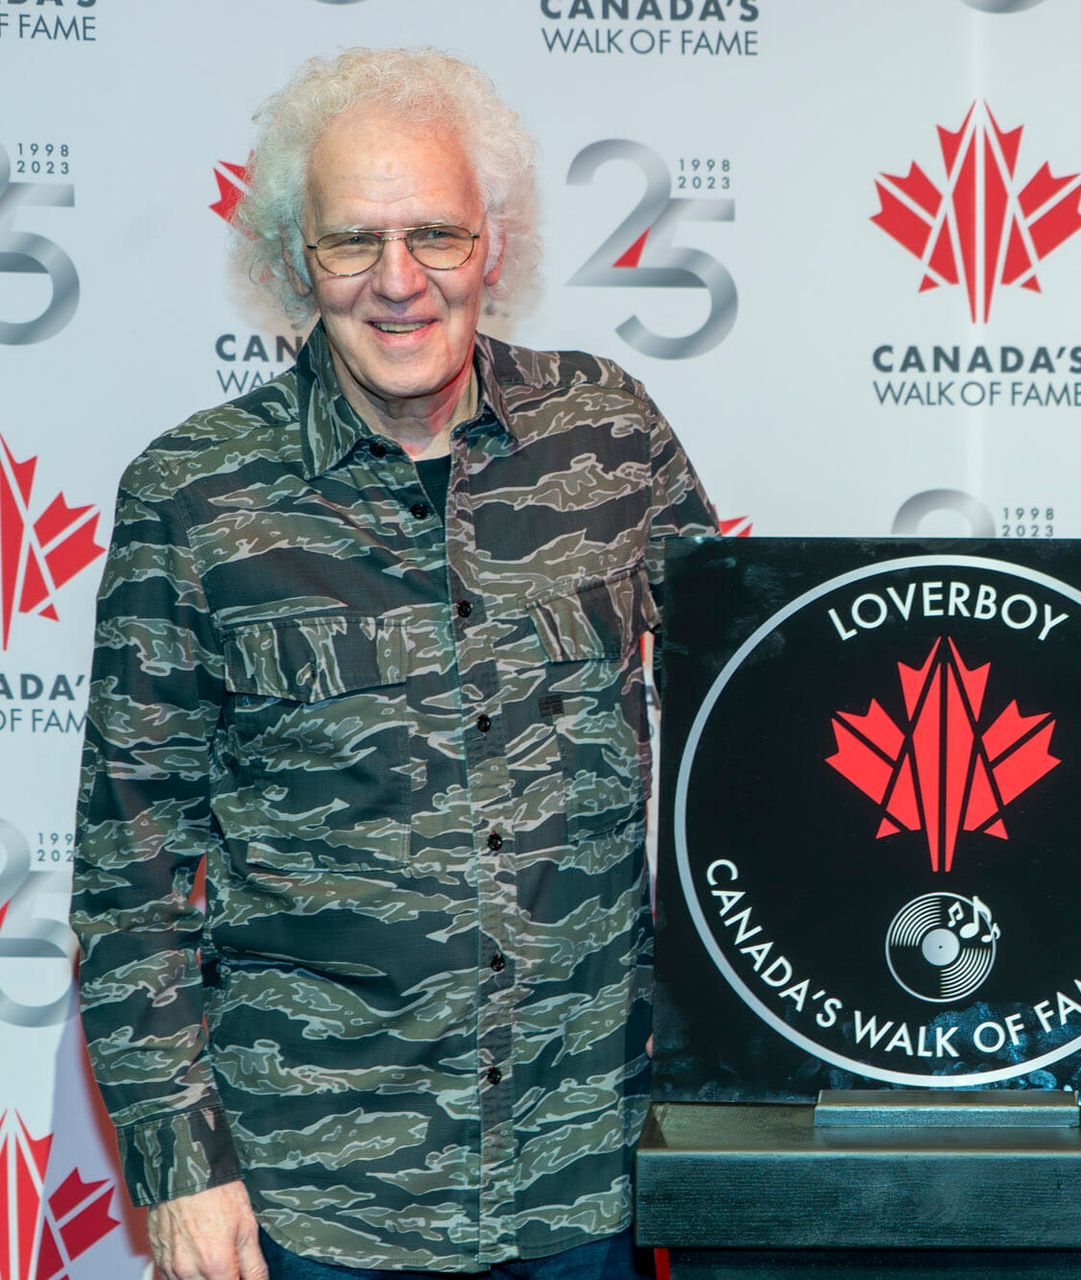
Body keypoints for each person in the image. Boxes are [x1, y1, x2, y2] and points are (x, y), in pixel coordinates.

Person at [71, 47, 713, 1280]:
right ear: (290, 259)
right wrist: (181, 1165)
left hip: (587, 1173)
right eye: (353, 242)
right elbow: (128, 867)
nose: (400, 283)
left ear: (495, 245)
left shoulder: (612, 436)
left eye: (436, 235)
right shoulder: (194, 496)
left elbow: (746, 741)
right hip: (314, 1200)